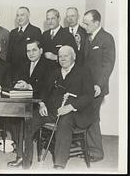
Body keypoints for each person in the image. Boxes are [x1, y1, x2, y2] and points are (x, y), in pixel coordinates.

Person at [7, 45, 95, 169]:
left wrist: (70, 106)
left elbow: (88, 96)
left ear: (73, 57)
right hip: (52, 111)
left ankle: (59, 164)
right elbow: (44, 91)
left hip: (75, 113)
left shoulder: (84, 72)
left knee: (65, 121)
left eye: (66, 56)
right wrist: (42, 103)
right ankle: (23, 157)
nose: (62, 59)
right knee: (28, 119)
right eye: (60, 56)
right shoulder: (54, 72)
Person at [7, 40, 53, 167]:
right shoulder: (24, 64)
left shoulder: (49, 65)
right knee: (11, 118)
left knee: (26, 122)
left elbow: (47, 88)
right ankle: (20, 153)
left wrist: (29, 86)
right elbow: (15, 80)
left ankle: (25, 160)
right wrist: (17, 84)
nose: (31, 53)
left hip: (41, 103)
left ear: (41, 51)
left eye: (34, 50)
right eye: (28, 51)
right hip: (25, 103)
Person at [82, 9, 116, 162]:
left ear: (96, 23)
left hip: (97, 87)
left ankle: (96, 152)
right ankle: (90, 148)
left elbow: (108, 65)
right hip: (86, 86)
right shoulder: (87, 38)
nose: (84, 25)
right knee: (90, 115)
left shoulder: (106, 38)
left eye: (87, 23)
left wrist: (99, 85)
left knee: (92, 117)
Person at [7, 6, 42, 78]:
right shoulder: (12, 33)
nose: (19, 18)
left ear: (28, 16)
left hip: (27, 72)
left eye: (22, 15)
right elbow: (9, 55)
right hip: (13, 72)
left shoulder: (35, 31)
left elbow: (37, 55)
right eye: (17, 15)